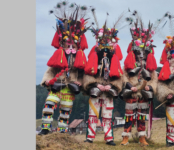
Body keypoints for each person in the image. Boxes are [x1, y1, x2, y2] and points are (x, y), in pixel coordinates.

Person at [38, 2, 89, 135]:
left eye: (73, 44)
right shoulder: (58, 56)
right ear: (63, 44)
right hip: (57, 84)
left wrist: (81, 83)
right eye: (67, 44)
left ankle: (61, 132)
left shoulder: (80, 59)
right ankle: (45, 128)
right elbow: (50, 71)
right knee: (49, 104)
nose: (70, 47)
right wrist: (48, 81)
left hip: (70, 87)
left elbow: (83, 75)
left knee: (66, 110)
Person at [82, 10, 124, 146]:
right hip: (96, 89)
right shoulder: (93, 57)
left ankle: (109, 138)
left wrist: (111, 86)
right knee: (93, 114)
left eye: (108, 44)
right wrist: (96, 85)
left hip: (108, 91)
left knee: (107, 115)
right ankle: (90, 137)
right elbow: (87, 74)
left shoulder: (114, 59)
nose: (106, 48)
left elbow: (119, 76)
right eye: (103, 43)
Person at [119, 16, 158, 146]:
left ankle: (142, 137)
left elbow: (154, 79)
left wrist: (149, 87)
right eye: (139, 51)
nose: (141, 54)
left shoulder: (149, 65)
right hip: (132, 92)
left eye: (143, 52)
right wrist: (129, 86)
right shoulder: (129, 63)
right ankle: (126, 137)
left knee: (142, 115)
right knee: (129, 115)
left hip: (143, 93)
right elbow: (123, 75)